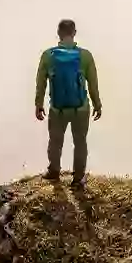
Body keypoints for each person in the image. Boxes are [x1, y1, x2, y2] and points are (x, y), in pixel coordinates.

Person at [35, 19, 102, 189]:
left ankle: (54, 171)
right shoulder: (85, 56)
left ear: (58, 33)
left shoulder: (48, 56)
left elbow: (41, 82)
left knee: (55, 141)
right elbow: (93, 84)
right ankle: (78, 178)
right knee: (80, 142)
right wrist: (97, 105)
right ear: (74, 33)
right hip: (81, 108)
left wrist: (38, 104)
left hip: (58, 109)